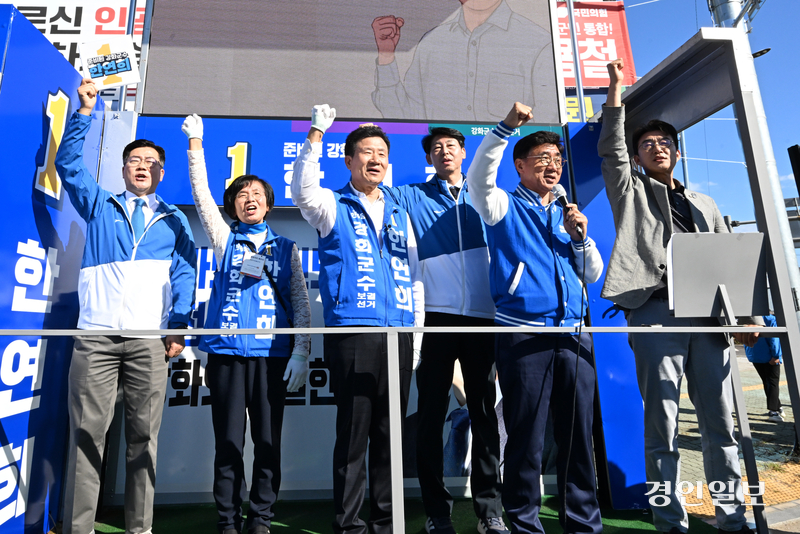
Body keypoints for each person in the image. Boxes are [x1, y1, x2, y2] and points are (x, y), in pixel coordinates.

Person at [599, 58, 757, 534]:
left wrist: (746, 315)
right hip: (654, 312)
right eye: (646, 144)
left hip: (709, 319)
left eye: (664, 142)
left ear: (677, 152)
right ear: (638, 156)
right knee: (662, 425)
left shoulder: (706, 203)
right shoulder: (630, 191)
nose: (657, 148)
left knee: (721, 424)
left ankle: (733, 518)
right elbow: (611, 147)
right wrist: (614, 89)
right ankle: (670, 520)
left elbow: (727, 260)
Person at [55, 79, 197, 534]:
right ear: (123, 169)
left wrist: (178, 324)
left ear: (161, 173)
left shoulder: (173, 219)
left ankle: (140, 529)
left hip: (149, 341)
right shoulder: (100, 205)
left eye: (151, 163)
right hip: (94, 336)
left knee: (143, 440)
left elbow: (186, 274)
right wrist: (85, 112)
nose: (142, 167)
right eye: (134, 160)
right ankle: (79, 528)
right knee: (85, 438)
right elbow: (68, 165)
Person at [467, 102, 604, 534]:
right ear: (520, 166)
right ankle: (525, 523)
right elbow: (478, 178)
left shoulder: (568, 213)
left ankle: (582, 522)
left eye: (558, 159)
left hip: (575, 336)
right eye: (542, 159)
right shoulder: (502, 205)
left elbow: (593, 274)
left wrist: (580, 238)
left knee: (578, 437)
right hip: (524, 337)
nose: (553, 166)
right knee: (527, 439)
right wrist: (505, 127)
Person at [290, 105, 424, 534]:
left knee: (391, 437)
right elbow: (302, 190)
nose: (376, 158)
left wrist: (416, 337)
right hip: (354, 331)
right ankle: (348, 525)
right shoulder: (332, 204)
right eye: (366, 151)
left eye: (382, 152)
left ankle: (388, 523)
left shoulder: (402, 210)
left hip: (399, 333)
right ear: (348, 160)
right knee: (353, 434)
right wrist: (315, 134)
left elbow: (414, 276)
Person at [181, 115, 312, 534]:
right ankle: (227, 520)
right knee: (229, 445)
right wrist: (196, 144)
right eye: (241, 194)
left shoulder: (286, 247)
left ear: (269, 204)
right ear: (233, 205)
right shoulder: (223, 239)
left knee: (268, 445)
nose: (248, 198)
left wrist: (302, 351)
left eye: (256, 193)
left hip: (273, 358)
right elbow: (201, 195)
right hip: (226, 356)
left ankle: (261, 519)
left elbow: (300, 303)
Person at [381, 128, 506, 534]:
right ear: (429, 158)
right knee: (431, 416)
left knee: (485, 414)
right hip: (433, 318)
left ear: (464, 153)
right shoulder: (410, 196)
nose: (444, 152)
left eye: (451, 146)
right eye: (436, 148)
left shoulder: (484, 196)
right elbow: (372, 199)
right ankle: (437, 512)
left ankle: (490, 511)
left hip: (483, 319)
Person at [371, 0, 556, 123]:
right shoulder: (432, 42)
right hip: (440, 170)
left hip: (506, 168)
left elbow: (547, 124)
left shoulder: (538, 43)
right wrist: (386, 56)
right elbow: (405, 119)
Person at [745, 315, 784, 422]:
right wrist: (776, 356)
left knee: (766, 382)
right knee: (772, 383)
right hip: (769, 356)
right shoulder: (769, 319)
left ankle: (778, 406)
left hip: (754, 355)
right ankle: (773, 411)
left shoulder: (746, 318)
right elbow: (774, 338)